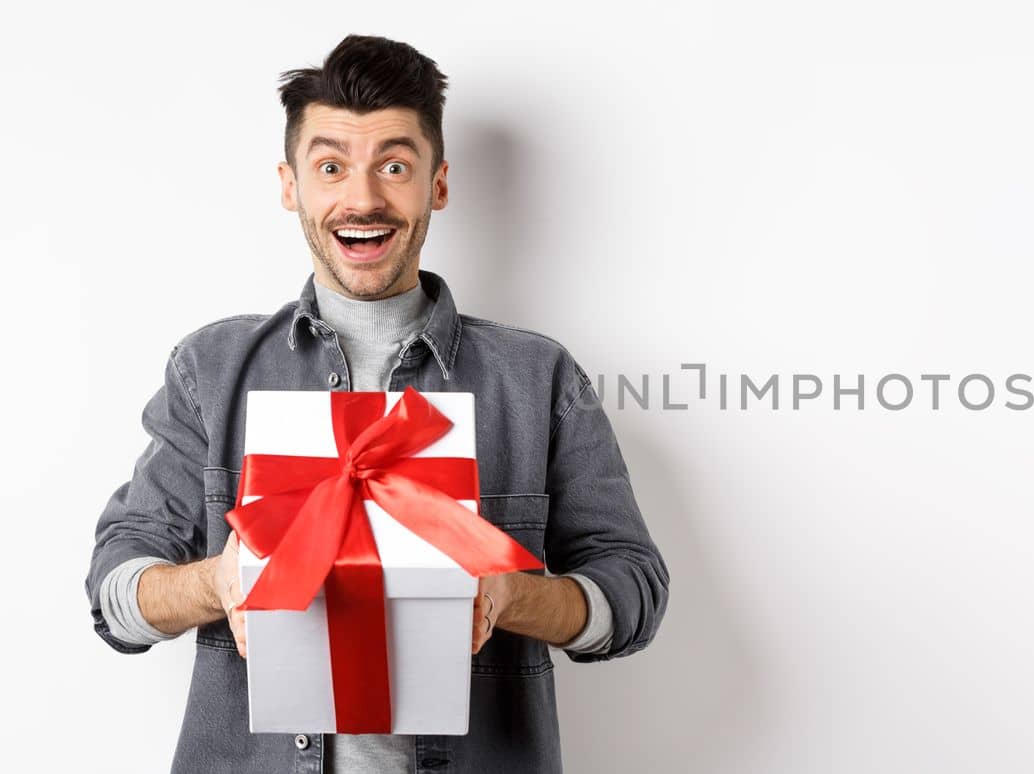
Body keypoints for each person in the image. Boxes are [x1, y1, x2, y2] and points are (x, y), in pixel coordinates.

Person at [83, 34, 670, 773]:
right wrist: (215, 582)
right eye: (331, 167)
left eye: (394, 166)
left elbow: (635, 596)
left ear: (439, 184)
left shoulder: (537, 377)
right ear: (291, 184)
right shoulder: (210, 369)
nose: (362, 199)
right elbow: (114, 596)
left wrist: (508, 596)